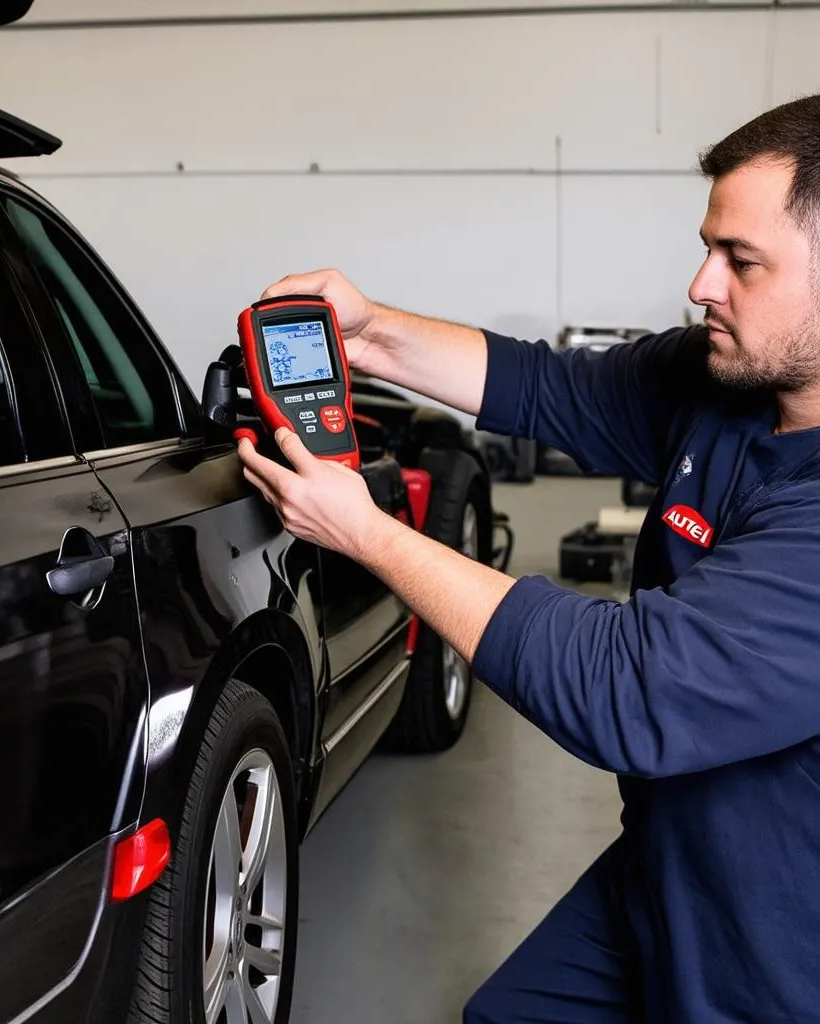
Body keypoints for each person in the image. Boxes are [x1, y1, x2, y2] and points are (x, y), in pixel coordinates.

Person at [236, 94, 820, 1022]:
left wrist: (369, 534)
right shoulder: (726, 386)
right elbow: (543, 387)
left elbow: (633, 689)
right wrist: (369, 328)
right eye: (708, 247)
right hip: (667, 871)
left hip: (783, 940)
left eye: (740, 261)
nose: (700, 284)